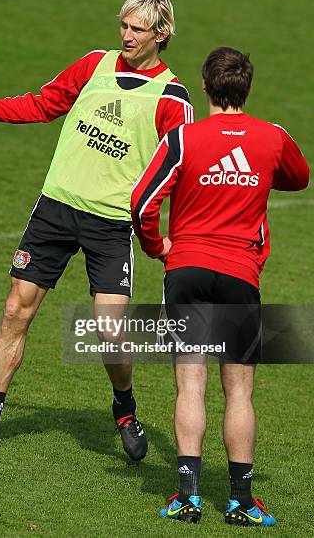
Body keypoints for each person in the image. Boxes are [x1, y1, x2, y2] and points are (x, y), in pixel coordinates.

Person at [0, 0, 194, 460]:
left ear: (162, 33)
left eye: (137, 28)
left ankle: (124, 407)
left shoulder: (172, 97)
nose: (126, 35)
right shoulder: (94, 64)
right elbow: (44, 103)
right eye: (124, 25)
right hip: (56, 208)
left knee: (109, 330)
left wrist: (171, 232)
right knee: (15, 310)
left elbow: (181, 168)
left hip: (111, 223)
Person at [131, 46, 309, 523]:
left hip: (185, 269)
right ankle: (241, 502)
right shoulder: (273, 138)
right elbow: (300, 177)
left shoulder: (182, 138)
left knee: (190, 384)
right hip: (240, 275)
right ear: (246, 89)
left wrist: (157, 247)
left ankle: (187, 496)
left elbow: (142, 202)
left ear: (205, 87)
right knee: (240, 392)